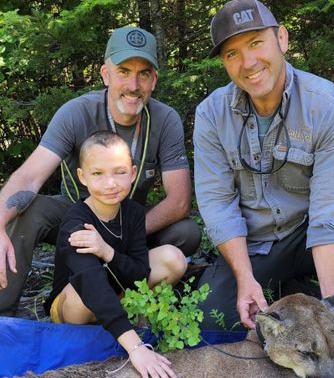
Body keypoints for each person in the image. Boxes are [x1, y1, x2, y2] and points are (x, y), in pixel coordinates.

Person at [193, 0, 334, 340]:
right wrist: (245, 279)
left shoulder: (327, 106)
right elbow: (217, 206)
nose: (248, 62)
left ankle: (333, 318)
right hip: (255, 248)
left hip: (308, 238)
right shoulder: (211, 115)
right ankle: (284, 287)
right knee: (211, 325)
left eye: (256, 43)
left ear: (282, 39)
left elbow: (331, 215)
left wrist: (330, 315)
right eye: (232, 53)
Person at [0, 25, 201, 315]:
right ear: (105, 74)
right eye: (123, 71)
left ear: (154, 80)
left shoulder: (165, 119)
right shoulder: (76, 113)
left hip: (129, 220)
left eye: (143, 73)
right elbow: (29, 176)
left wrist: (115, 236)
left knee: (187, 232)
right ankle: (5, 314)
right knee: (27, 210)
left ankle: (132, 300)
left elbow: (179, 201)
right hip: (74, 216)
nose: (133, 85)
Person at [45, 130, 186, 378]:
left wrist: (107, 251)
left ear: (132, 173)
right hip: (74, 306)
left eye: (119, 172)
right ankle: (119, 330)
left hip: (115, 289)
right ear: (83, 177)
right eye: (98, 174)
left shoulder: (131, 212)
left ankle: (127, 318)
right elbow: (91, 283)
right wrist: (136, 347)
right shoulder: (76, 222)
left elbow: (140, 275)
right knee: (81, 292)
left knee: (172, 258)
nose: (110, 183)